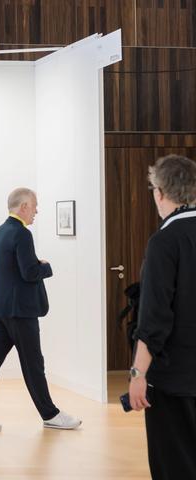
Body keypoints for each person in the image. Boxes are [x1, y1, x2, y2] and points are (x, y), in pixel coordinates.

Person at [0, 188, 81, 431]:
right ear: (24, 206)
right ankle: (50, 415)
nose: (36, 211)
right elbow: (29, 273)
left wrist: (34, 264)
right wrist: (45, 267)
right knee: (33, 364)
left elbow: (12, 269)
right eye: (34, 206)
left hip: (0, 310)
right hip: (20, 312)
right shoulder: (22, 234)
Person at [128, 154, 196, 479]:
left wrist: (137, 373)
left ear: (159, 193)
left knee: (175, 466)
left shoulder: (165, 241)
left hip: (174, 379)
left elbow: (154, 318)